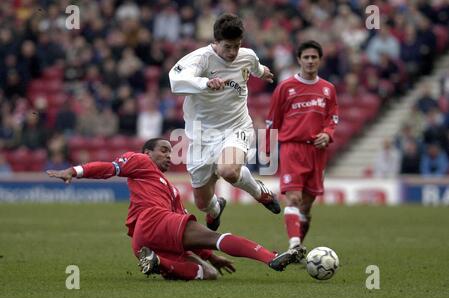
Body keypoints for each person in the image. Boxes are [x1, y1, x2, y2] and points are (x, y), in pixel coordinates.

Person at [47, 138, 304, 281]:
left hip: (143, 241)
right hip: (154, 221)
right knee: (216, 238)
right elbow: (109, 168)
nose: (169, 155)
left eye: (171, 152)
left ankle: (160, 263)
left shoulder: (169, 189)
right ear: (147, 152)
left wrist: (212, 258)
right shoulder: (140, 162)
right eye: (163, 150)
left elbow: (186, 233)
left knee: (209, 274)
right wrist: (74, 171)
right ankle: (270, 258)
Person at [168, 13, 280, 231]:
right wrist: (205, 83)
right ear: (215, 42)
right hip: (201, 135)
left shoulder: (247, 56)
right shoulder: (200, 59)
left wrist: (263, 72)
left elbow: (256, 67)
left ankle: (260, 193)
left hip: (236, 127)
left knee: (228, 170)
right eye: (227, 47)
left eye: (237, 46)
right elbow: (176, 81)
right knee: (202, 203)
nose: (232, 52)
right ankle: (216, 208)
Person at [266, 40, 339, 254]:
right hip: (292, 149)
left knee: (306, 206)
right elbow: (272, 121)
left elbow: (332, 118)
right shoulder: (285, 88)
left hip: (317, 152)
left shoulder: (328, 89)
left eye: (313, 57)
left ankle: (298, 246)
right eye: (306, 57)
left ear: (319, 60)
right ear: (299, 60)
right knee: (294, 198)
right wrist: (269, 151)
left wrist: (327, 134)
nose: (310, 61)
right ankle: (294, 244)